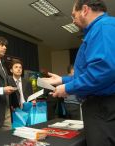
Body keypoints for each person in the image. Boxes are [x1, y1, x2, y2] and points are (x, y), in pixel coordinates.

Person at [42, 0, 115, 145]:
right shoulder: (101, 28)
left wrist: (68, 88)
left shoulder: (102, 27)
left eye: (74, 15)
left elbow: (104, 70)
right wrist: (62, 80)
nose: (73, 20)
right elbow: (90, 72)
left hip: (103, 107)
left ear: (85, 10)